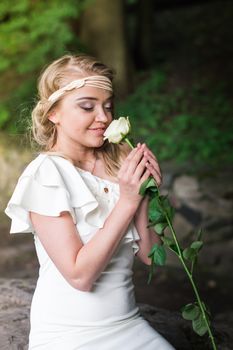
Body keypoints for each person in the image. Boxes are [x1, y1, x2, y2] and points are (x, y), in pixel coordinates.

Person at [5, 54, 175, 349]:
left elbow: (150, 257)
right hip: (69, 335)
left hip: (128, 324)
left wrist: (145, 195)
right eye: (87, 106)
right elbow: (80, 276)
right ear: (53, 114)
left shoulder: (119, 162)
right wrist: (126, 201)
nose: (104, 117)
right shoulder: (46, 174)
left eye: (108, 106)